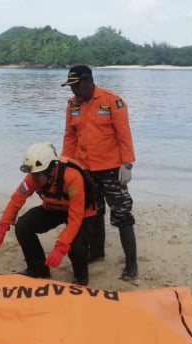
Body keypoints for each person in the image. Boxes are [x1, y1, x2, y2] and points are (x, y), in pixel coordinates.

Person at [60, 65, 139, 280]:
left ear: (88, 81)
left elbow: (124, 135)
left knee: (122, 214)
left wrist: (127, 163)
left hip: (112, 170)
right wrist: (66, 164)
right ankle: (96, 251)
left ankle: (131, 264)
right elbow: (70, 137)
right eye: (70, 87)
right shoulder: (72, 105)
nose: (73, 91)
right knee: (93, 213)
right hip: (85, 170)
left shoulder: (112, 101)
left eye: (75, 86)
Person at [0, 142, 96, 286]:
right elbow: (16, 200)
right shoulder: (33, 177)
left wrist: (60, 247)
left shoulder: (72, 178)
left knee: (76, 245)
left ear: (51, 169)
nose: (35, 179)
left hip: (82, 213)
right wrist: (2, 228)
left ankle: (81, 278)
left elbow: (75, 218)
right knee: (23, 226)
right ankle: (38, 269)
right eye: (33, 174)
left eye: (38, 175)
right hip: (54, 208)